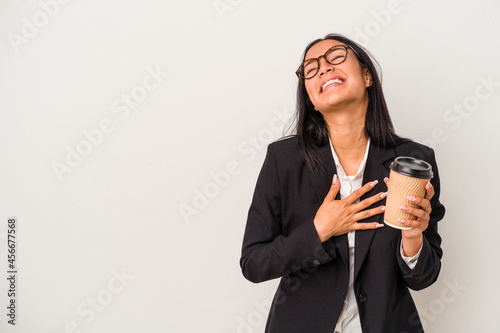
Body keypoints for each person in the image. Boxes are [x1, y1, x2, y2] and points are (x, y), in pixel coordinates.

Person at [240, 33, 445, 333]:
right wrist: (318, 230)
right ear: (311, 98)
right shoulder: (282, 160)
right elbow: (253, 263)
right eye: (310, 68)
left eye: (336, 56)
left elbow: (423, 277)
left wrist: (413, 238)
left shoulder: (414, 161)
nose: (322, 68)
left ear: (366, 76)